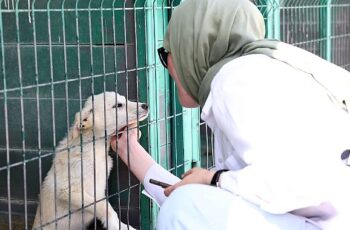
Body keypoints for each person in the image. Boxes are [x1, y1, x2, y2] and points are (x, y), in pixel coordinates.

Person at [111, 0, 350, 229]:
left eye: (167, 53)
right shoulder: (255, 70)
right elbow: (216, 206)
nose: (168, 65)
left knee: (183, 208)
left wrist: (214, 179)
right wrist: (128, 149)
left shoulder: (234, 80)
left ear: (194, 47)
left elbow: (295, 183)